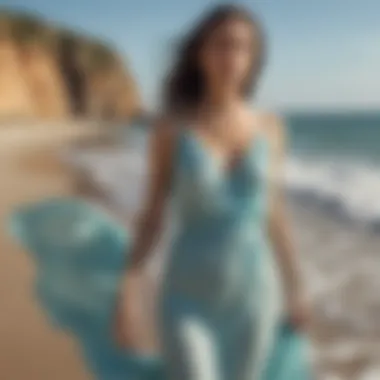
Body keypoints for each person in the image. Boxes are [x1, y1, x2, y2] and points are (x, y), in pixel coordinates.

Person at [116, 4, 312, 380]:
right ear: (200, 53)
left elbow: (274, 214)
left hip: (254, 300)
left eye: (243, 47)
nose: (232, 56)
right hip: (186, 299)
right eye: (221, 44)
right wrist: (128, 288)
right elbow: (152, 217)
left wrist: (296, 288)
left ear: (253, 59)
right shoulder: (170, 128)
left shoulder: (271, 127)